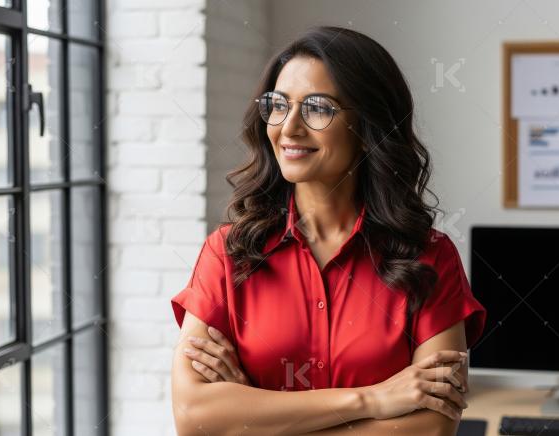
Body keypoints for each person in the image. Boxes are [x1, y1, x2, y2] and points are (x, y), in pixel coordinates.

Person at [169, 25, 486, 435]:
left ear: (369, 127)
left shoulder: (429, 258)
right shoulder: (228, 253)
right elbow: (193, 418)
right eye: (278, 105)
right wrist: (373, 399)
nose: (289, 128)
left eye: (318, 108)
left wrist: (255, 418)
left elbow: (431, 428)